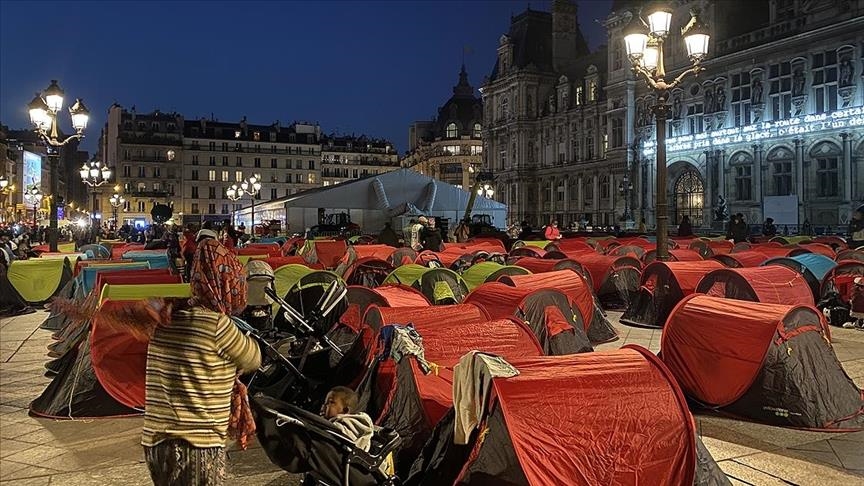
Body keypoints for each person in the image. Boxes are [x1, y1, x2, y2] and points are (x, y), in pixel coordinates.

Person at [320, 386, 374, 452]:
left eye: (331, 402)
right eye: (325, 402)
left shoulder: (347, 426)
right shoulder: (328, 422)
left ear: (345, 410)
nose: (324, 406)